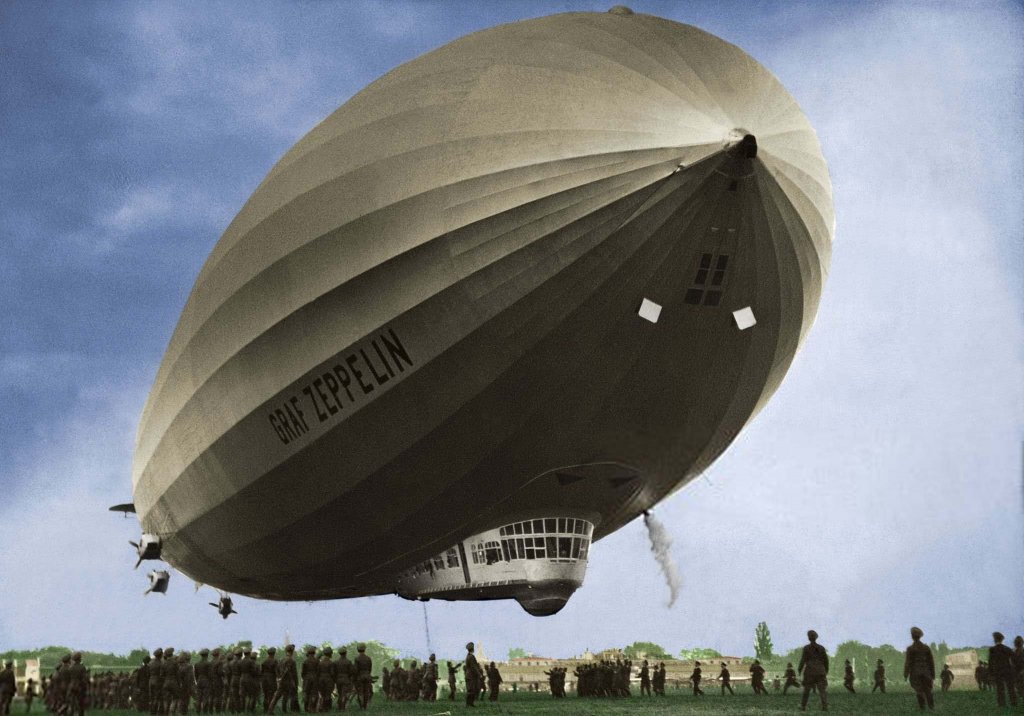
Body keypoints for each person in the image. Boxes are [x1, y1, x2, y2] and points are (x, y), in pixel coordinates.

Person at [904, 626, 935, 711]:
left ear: (912, 636)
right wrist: (933, 674)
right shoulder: (926, 648)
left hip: (915, 673)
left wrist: (906, 674)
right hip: (926, 672)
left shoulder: (910, 649)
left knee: (919, 690)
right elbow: (931, 662)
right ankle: (931, 707)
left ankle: (923, 708)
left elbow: (908, 663)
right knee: (928, 690)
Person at [798, 630, 829, 712]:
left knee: (806, 690)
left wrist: (799, 669)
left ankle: (803, 706)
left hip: (810, 672)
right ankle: (824, 706)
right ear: (816, 638)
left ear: (809, 638)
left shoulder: (806, 648)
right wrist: (825, 670)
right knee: (822, 690)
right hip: (820, 671)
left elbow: (803, 660)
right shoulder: (821, 648)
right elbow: (826, 661)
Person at [988, 631, 1018, 708]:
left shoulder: (992, 650)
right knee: (1010, 688)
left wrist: (990, 673)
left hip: (998, 671)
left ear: (995, 640)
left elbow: (990, 662)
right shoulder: (1007, 649)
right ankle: (1014, 703)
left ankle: (1002, 704)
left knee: (1000, 689)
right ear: (1002, 639)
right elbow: (1015, 659)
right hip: (1008, 670)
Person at [269, 645, 298, 714]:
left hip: (282, 680)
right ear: (292, 651)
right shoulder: (292, 660)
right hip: (289, 681)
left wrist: (279, 677)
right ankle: (289, 711)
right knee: (290, 695)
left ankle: (270, 710)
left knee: (277, 696)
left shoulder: (281, 659)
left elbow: (277, 669)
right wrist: (295, 683)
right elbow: (294, 674)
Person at [353, 644, 373, 710]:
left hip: (360, 676)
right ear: (364, 649)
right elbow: (370, 669)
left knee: (360, 692)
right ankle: (365, 706)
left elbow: (356, 670)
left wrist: (355, 678)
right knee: (366, 692)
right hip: (367, 676)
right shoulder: (368, 658)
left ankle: (361, 706)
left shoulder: (357, 658)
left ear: (358, 650)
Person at [261, 648, 278, 714]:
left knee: (265, 695)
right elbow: (276, 671)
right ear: (274, 653)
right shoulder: (275, 661)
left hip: (264, 679)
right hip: (271, 679)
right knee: (271, 695)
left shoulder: (264, 661)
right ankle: (270, 711)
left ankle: (265, 709)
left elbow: (261, 672)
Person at [301, 648, 318, 713]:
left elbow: (303, 672)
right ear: (314, 653)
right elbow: (318, 671)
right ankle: (312, 708)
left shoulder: (305, 661)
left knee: (306, 693)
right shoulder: (317, 661)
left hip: (307, 678)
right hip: (315, 678)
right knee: (314, 694)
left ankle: (306, 708)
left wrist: (305, 678)